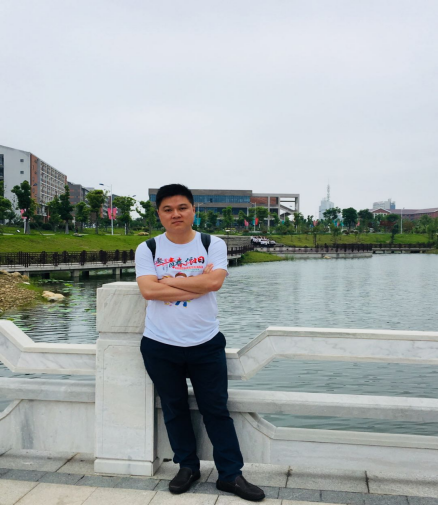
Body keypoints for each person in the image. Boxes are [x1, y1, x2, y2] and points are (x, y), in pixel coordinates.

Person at [135, 184, 265, 502]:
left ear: (194, 210)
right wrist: (197, 285)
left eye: (182, 207)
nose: (175, 214)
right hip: (160, 344)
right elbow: (149, 291)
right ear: (159, 214)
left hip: (205, 343)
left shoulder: (211, 243)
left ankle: (230, 474)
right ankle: (187, 467)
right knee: (174, 408)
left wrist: (169, 282)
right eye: (168, 209)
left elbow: (215, 282)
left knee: (216, 409)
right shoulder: (148, 248)